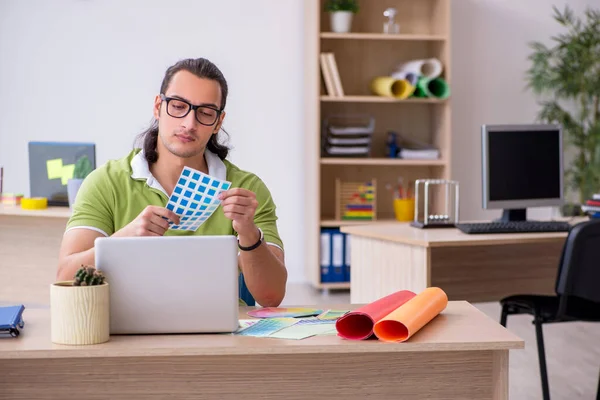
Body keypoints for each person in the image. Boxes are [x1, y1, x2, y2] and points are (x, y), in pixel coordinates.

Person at [57, 58, 287, 307]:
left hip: (219, 337)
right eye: (178, 106)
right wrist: (122, 240)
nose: (189, 124)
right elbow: (65, 278)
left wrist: (248, 232)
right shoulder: (105, 182)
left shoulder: (245, 190)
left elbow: (271, 297)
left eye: (206, 113)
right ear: (158, 106)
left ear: (218, 122)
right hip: (125, 336)